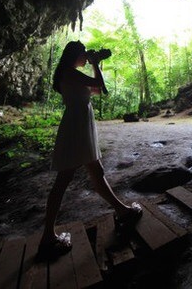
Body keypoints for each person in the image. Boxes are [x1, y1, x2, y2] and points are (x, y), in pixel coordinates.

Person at [39, 40, 142, 257]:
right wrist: (95, 64)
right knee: (63, 180)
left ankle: (122, 211)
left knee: (96, 171)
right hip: (76, 128)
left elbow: (97, 89)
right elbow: (98, 83)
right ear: (75, 55)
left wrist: (96, 64)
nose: (86, 57)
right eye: (84, 54)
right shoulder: (69, 72)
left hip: (80, 125)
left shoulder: (72, 74)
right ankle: (48, 237)